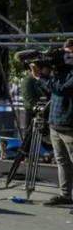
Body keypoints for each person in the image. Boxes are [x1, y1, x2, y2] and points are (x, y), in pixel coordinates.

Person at [31, 39, 73, 207]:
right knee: (62, 162)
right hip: (56, 123)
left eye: (70, 53)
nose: (67, 56)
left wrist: (41, 77)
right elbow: (52, 92)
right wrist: (44, 76)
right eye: (66, 53)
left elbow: (63, 90)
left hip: (70, 125)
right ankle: (65, 195)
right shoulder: (60, 71)